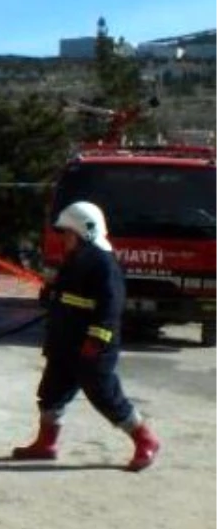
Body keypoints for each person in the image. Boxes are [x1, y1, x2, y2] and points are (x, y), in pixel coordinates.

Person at [13, 202, 160, 472]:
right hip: (65, 343)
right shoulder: (77, 258)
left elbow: (110, 307)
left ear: (85, 232)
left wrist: (96, 340)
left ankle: (145, 439)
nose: (64, 239)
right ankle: (46, 444)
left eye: (68, 233)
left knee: (104, 394)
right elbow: (68, 294)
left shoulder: (103, 263)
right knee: (51, 392)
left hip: (92, 346)